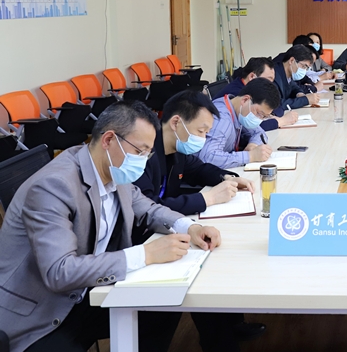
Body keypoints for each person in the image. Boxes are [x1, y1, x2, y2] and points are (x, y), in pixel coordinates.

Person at [0, 101, 222, 352]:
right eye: (139, 151)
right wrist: (146, 254)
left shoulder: (112, 170)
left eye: (148, 153)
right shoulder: (54, 185)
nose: (143, 160)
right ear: (108, 140)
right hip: (43, 312)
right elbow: (60, 272)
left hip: (87, 291)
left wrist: (189, 227)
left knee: (162, 308)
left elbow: (148, 208)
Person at [133, 91, 263, 350]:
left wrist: (227, 177)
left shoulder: (176, 149)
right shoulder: (143, 153)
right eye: (201, 131)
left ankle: (228, 330)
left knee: (211, 262)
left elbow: (198, 168)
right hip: (142, 239)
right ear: (176, 122)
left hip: (168, 229)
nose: (202, 139)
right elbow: (147, 208)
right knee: (204, 272)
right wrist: (206, 199)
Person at [197, 77, 281, 169]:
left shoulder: (239, 111)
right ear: (245, 100)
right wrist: (251, 156)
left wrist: (253, 145)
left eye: (264, 117)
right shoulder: (222, 119)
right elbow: (208, 157)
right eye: (259, 114)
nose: (259, 119)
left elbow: (260, 133)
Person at [214, 57, 299, 130]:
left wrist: (267, 114)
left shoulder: (255, 91)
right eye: (268, 80)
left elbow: (278, 107)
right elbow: (249, 127)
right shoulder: (237, 93)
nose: (270, 85)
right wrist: (281, 121)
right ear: (252, 76)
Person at [272, 44, 321, 110]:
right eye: (303, 66)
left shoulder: (288, 74)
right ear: (291, 60)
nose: (304, 70)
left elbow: (294, 87)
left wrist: (299, 94)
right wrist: (305, 100)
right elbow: (276, 104)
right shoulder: (274, 75)